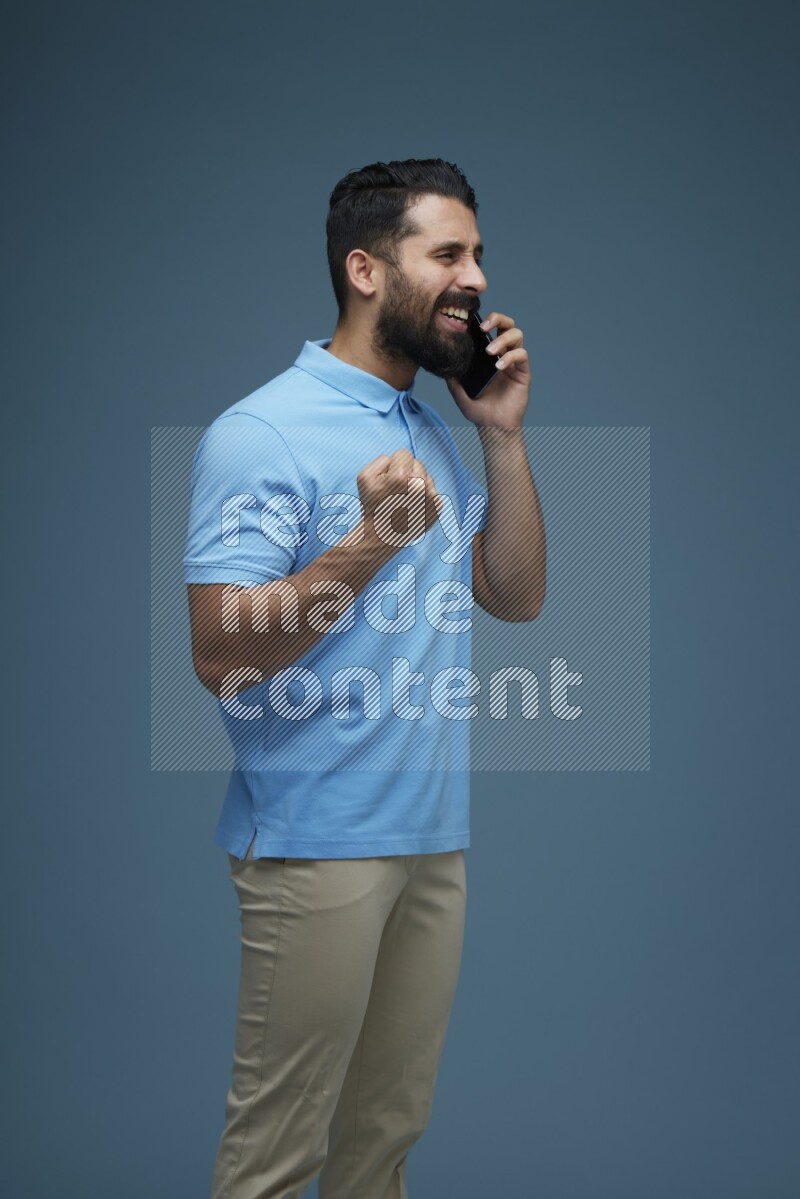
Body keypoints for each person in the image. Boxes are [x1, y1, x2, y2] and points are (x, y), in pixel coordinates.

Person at [184, 157, 546, 1199]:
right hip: (313, 841)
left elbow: (514, 597)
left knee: (384, 1137)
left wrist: (502, 436)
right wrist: (374, 539)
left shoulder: (428, 425)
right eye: (446, 254)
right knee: (276, 1154)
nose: (474, 277)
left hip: (431, 836)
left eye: (476, 252)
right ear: (365, 269)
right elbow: (220, 655)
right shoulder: (260, 433)